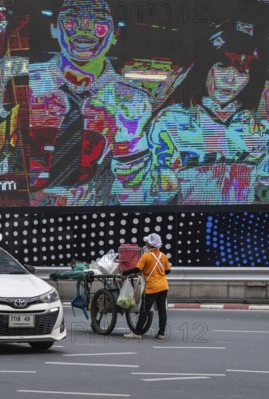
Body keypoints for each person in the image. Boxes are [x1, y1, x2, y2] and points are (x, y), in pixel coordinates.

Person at [29, 0, 153, 206]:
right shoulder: (24, 83)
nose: (85, 26)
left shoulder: (134, 100)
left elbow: (135, 187)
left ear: (115, 34)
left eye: (98, 19)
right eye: (73, 17)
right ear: (53, 28)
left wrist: (130, 141)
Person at [148, 21, 268, 205]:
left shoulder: (257, 126)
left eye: (242, 71)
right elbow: (148, 194)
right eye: (222, 66)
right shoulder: (171, 120)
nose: (231, 79)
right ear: (205, 67)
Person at [122, 233, 171, 340]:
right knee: (162, 310)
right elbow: (167, 271)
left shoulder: (146, 256)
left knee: (145, 310)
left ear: (149, 243)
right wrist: (158, 274)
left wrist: (124, 273)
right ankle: (161, 333)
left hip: (152, 287)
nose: (145, 243)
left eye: (146, 241)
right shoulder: (163, 256)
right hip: (163, 286)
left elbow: (137, 269)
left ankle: (137, 332)